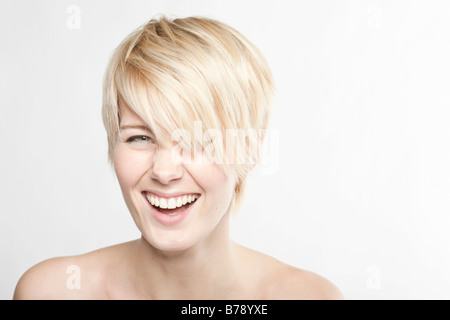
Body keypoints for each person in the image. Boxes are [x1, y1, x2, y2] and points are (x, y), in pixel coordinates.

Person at [13, 15, 343, 300]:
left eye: (198, 140)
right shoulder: (52, 291)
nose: (164, 171)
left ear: (251, 148)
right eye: (140, 137)